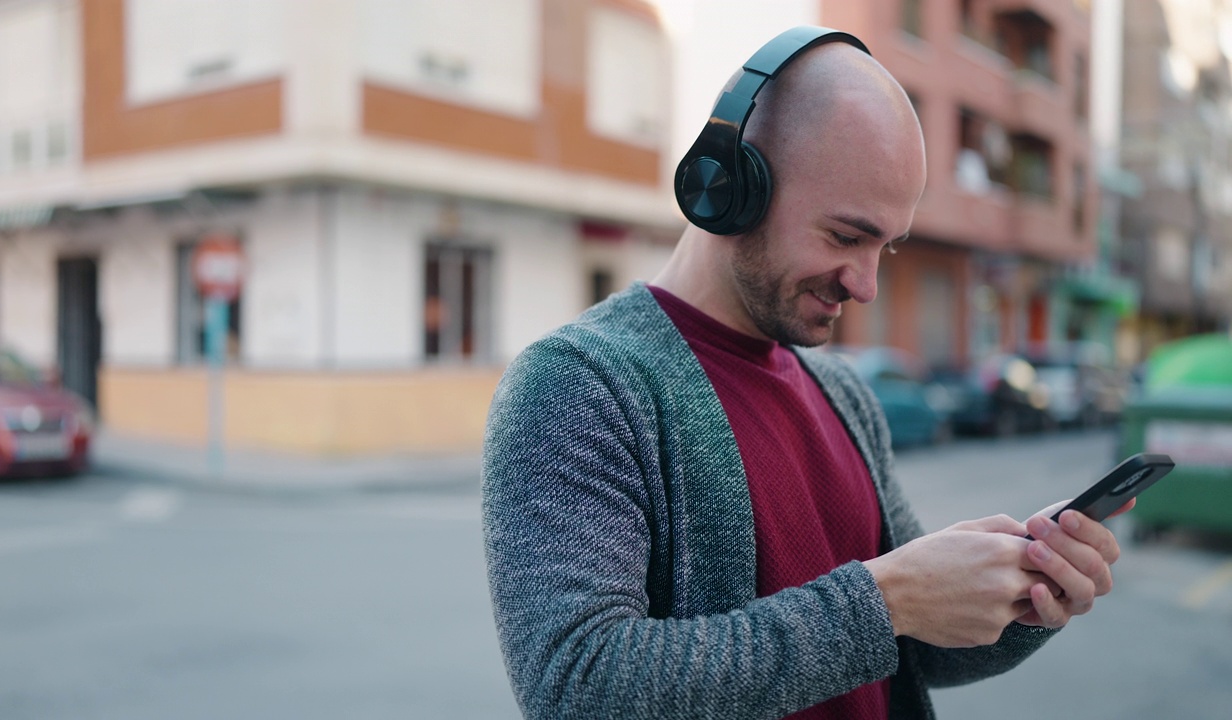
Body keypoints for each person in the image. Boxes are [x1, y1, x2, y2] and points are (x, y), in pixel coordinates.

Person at [482, 27, 1125, 720]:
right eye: (846, 237)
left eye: (887, 246)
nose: (868, 284)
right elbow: (577, 688)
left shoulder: (844, 392)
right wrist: (886, 597)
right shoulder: (580, 384)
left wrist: (1027, 596)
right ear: (729, 186)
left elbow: (908, 648)